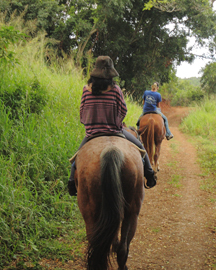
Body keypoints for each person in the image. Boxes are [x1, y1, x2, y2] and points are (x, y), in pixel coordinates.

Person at [67, 56, 157, 196]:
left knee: (77, 158)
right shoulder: (115, 89)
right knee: (140, 147)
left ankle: (72, 182)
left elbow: (82, 113)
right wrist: (116, 121)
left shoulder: (86, 89)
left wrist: (90, 124)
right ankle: (150, 174)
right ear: (110, 74)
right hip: (115, 131)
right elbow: (123, 111)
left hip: (92, 134)